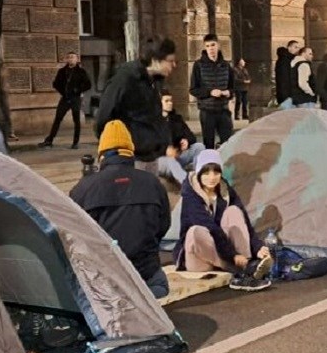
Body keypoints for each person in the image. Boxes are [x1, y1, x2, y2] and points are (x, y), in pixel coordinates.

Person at [71, 120, 171, 298]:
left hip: (106, 277)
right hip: (146, 273)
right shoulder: (152, 183)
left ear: (101, 154)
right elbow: (163, 225)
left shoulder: (83, 188)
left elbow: (74, 234)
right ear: (130, 151)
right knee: (159, 286)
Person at [173, 149, 274, 292]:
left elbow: (243, 219)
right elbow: (211, 228)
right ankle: (242, 269)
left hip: (224, 252)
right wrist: (233, 256)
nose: (212, 177)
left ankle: (247, 264)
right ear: (199, 173)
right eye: (206, 172)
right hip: (200, 258)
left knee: (233, 211)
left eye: (216, 172)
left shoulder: (225, 190)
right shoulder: (190, 195)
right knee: (195, 231)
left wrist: (257, 247)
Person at [96, 38, 176, 163]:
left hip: (151, 155)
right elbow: (104, 116)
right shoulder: (125, 79)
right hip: (130, 156)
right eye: (170, 61)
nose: (174, 65)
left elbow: (154, 118)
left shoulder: (154, 81)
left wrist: (164, 145)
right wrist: (109, 150)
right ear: (155, 60)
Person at [189, 34, 235, 148]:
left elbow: (233, 88)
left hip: (223, 110)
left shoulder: (226, 65)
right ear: (205, 48)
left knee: (228, 143)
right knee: (208, 143)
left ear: (218, 45)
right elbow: (193, 89)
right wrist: (210, 92)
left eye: (213, 45)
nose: (211, 48)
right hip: (207, 111)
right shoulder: (198, 65)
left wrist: (228, 93)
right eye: (208, 46)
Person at [40, 51, 92, 149]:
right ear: (66, 59)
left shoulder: (81, 72)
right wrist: (63, 92)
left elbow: (88, 85)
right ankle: (49, 140)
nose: (71, 59)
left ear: (77, 59)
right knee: (57, 119)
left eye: (73, 57)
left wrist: (78, 90)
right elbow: (55, 83)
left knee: (76, 120)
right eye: (69, 57)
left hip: (75, 99)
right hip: (65, 98)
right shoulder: (62, 71)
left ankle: (75, 143)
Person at [156, 90, 206, 183]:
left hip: (178, 155)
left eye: (171, 101)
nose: (170, 103)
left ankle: (200, 177)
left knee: (199, 147)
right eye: (166, 101)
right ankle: (187, 184)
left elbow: (191, 136)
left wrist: (186, 140)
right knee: (170, 161)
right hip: (161, 159)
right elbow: (147, 145)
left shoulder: (176, 118)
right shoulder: (152, 121)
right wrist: (164, 150)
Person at [288, 44, 317, 109]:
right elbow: (302, 83)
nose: (312, 56)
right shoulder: (304, 65)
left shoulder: (294, 64)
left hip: (297, 97)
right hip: (305, 99)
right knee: (308, 118)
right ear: (303, 53)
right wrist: (311, 93)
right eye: (310, 54)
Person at [274, 40, 299, 109]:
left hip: (288, 95)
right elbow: (284, 79)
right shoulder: (284, 60)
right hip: (287, 96)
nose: (297, 49)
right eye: (295, 47)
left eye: (298, 48)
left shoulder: (289, 59)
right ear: (289, 47)